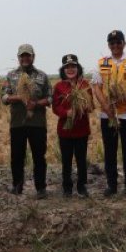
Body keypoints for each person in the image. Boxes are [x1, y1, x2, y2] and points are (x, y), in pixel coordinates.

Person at [91, 30, 126, 197]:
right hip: (108, 115)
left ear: (124, 43)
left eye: (118, 42)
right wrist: (106, 106)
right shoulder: (101, 63)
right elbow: (96, 87)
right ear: (108, 45)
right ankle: (112, 185)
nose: (115, 46)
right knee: (110, 151)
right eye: (112, 43)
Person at [2, 44, 52, 198]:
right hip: (18, 123)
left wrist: (36, 103)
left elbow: (50, 98)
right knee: (17, 156)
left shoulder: (42, 76)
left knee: (39, 156)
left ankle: (41, 188)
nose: (25, 58)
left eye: (28, 55)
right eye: (22, 56)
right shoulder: (11, 76)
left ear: (33, 57)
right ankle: (17, 186)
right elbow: (4, 98)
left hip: (37, 123)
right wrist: (19, 97)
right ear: (18, 58)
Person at [52, 54, 94, 197]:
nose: (70, 69)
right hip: (65, 131)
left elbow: (91, 105)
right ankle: (67, 187)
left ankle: (82, 186)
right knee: (66, 160)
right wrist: (67, 113)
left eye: (73, 66)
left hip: (82, 130)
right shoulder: (59, 86)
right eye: (67, 67)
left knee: (81, 160)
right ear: (63, 70)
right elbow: (55, 108)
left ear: (78, 68)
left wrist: (84, 107)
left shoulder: (85, 84)